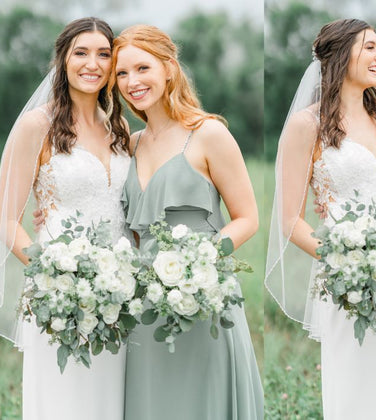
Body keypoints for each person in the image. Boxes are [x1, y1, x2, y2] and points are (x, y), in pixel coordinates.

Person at [111, 24, 263, 419]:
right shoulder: (131, 143)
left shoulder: (208, 133)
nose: (132, 82)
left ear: (168, 68)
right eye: (122, 74)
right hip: (145, 306)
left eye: (142, 68)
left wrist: (198, 265)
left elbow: (247, 218)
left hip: (203, 296)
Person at [265, 19, 376, 419]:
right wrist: (349, 264)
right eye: (370, 47)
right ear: (340, 53)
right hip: (347, 282)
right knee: (357, 385)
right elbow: (290, 221)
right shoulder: (305, 126)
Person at [0, 17, 131, 420]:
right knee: (64, 400)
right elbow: (5, 220)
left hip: (116, 296)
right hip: (59, 297)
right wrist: (56, 281)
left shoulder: (118, 127)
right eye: (81, 52)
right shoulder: (37, 126)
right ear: (63, 60)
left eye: (104, 54)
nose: (93, 63)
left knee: (107, 401)